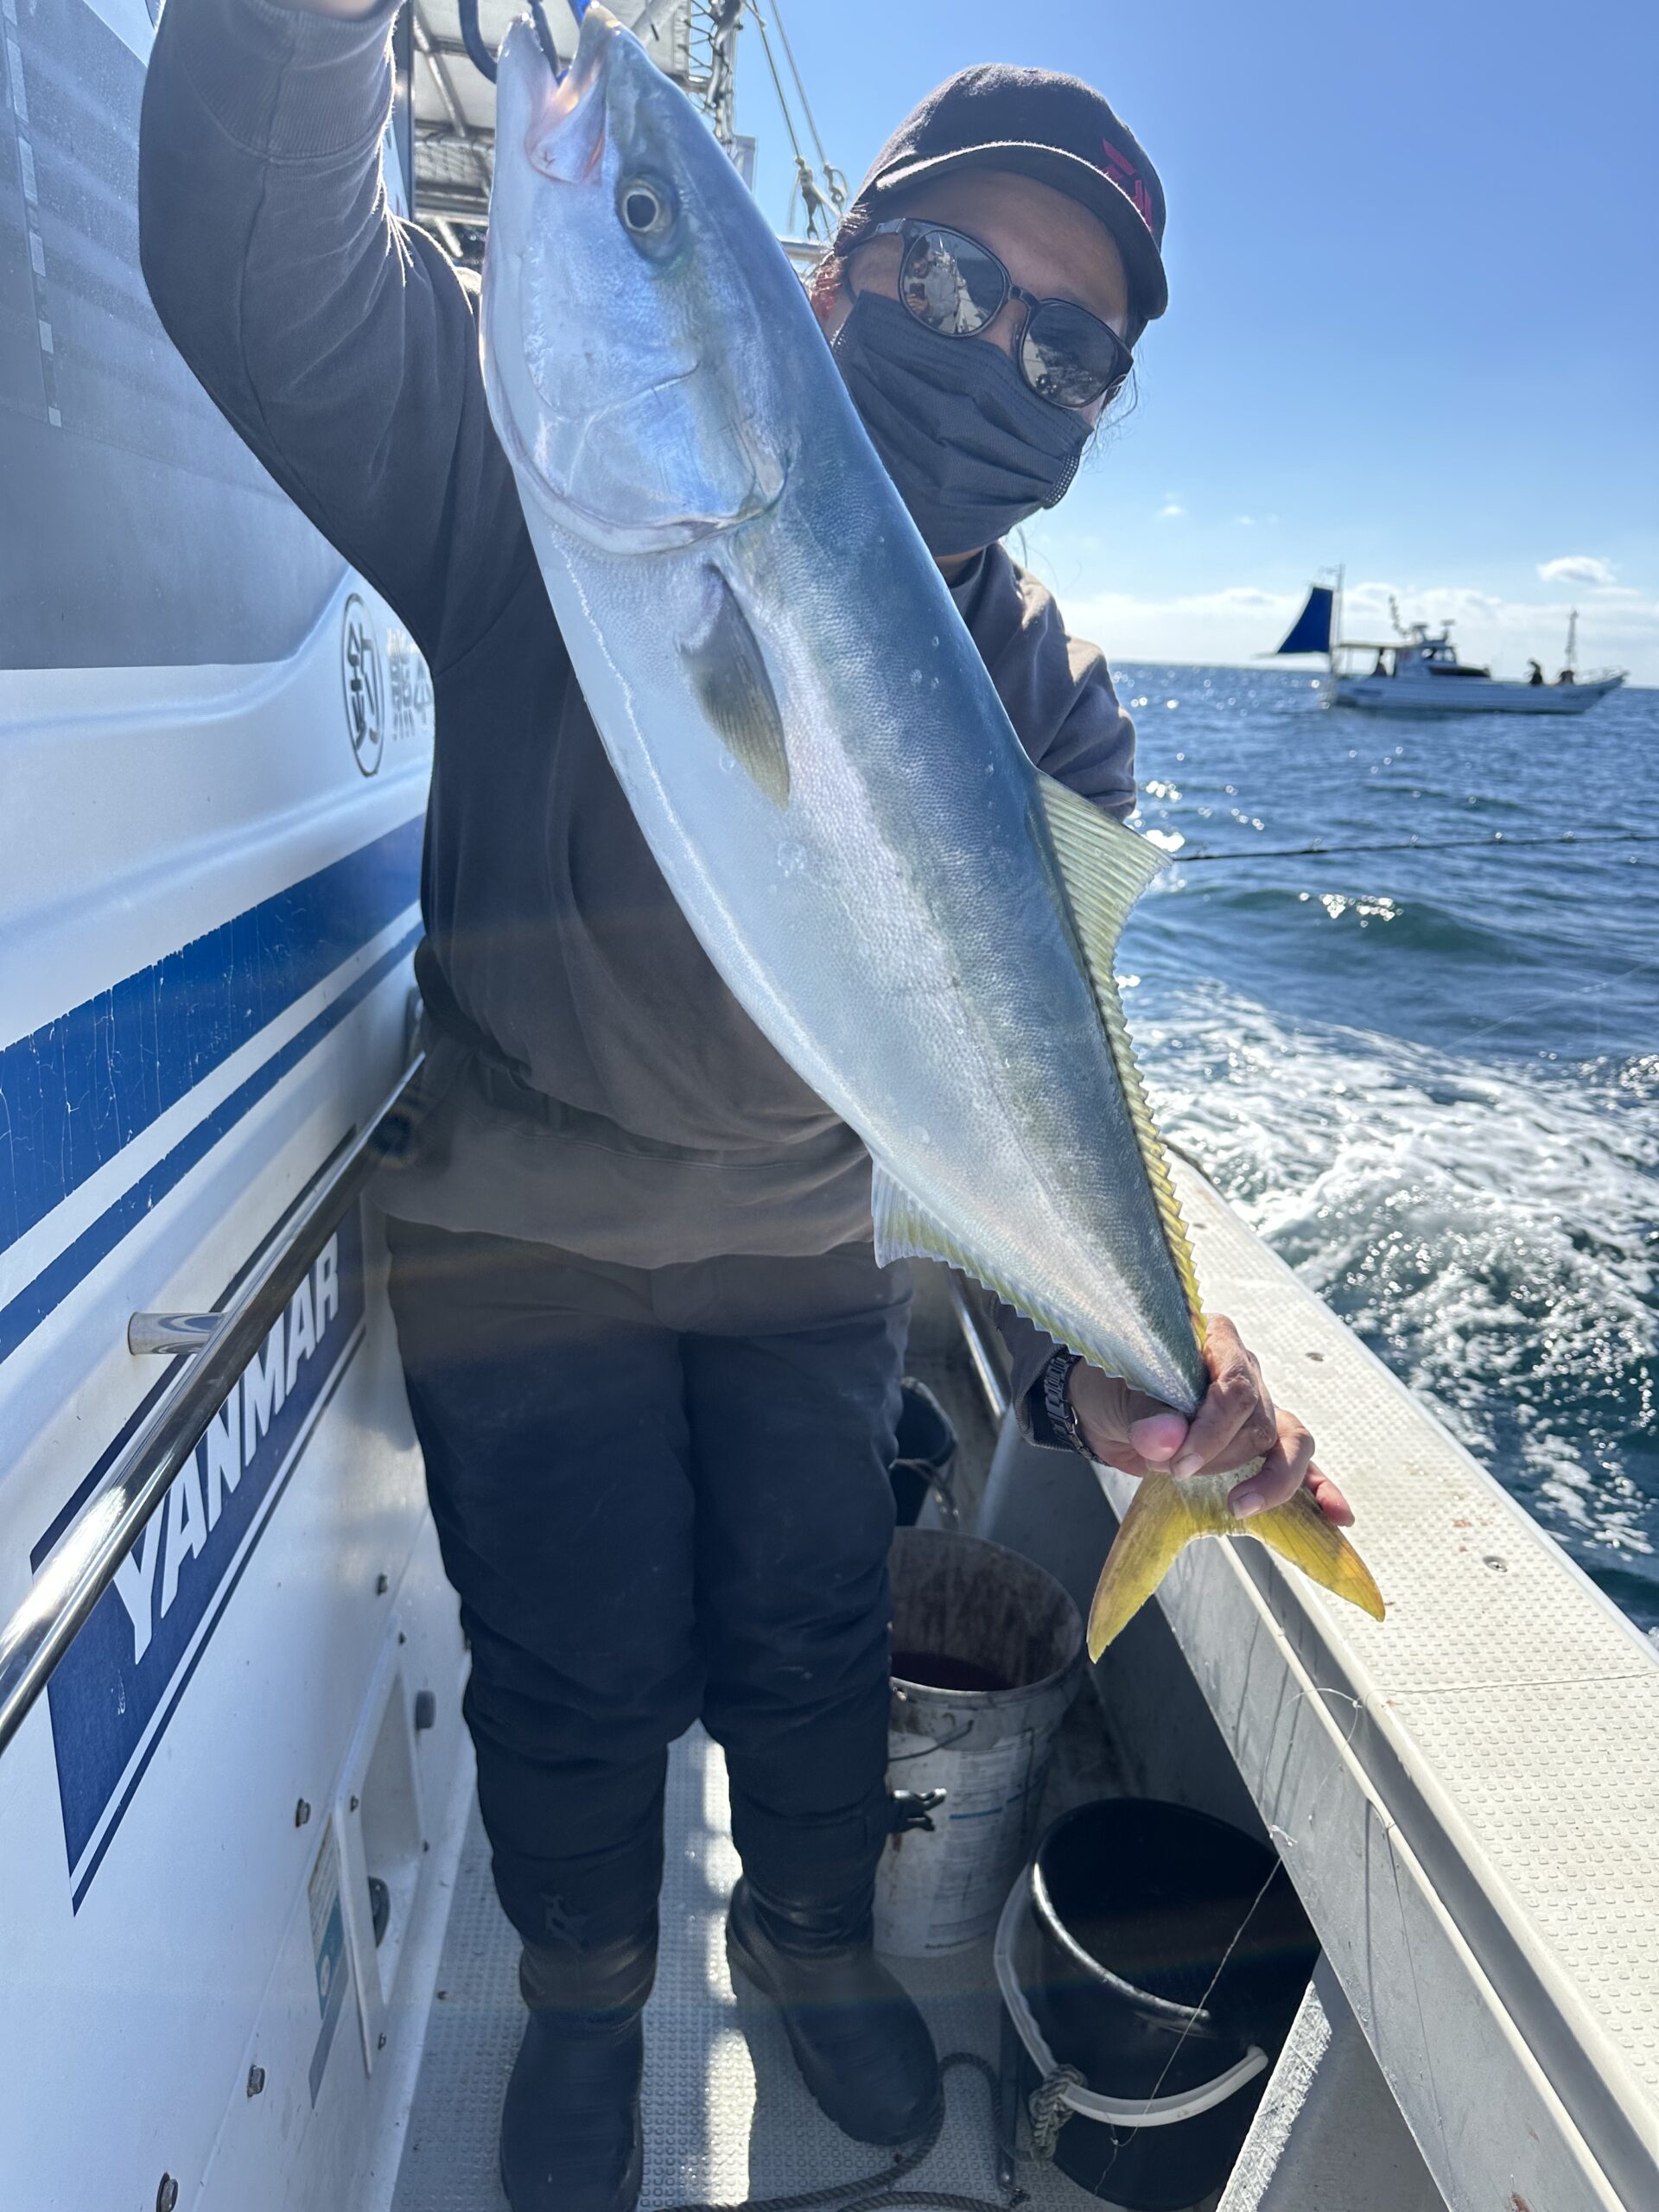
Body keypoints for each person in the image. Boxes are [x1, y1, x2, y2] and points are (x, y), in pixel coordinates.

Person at [138, 11, 1351, 2210]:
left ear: (1094, 414)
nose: (1001, 357)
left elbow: (1019, 1089)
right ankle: (586, 1998)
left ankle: (807, 1944)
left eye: (1069, 349)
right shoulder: (527, 461)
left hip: (812, 1253)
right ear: (831, 273)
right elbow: (259, 268)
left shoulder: (1051, 699)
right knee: (573, 1668)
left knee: (811, 1650)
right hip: (527, 1227)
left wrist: (1119, 1365)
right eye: (954, 280)